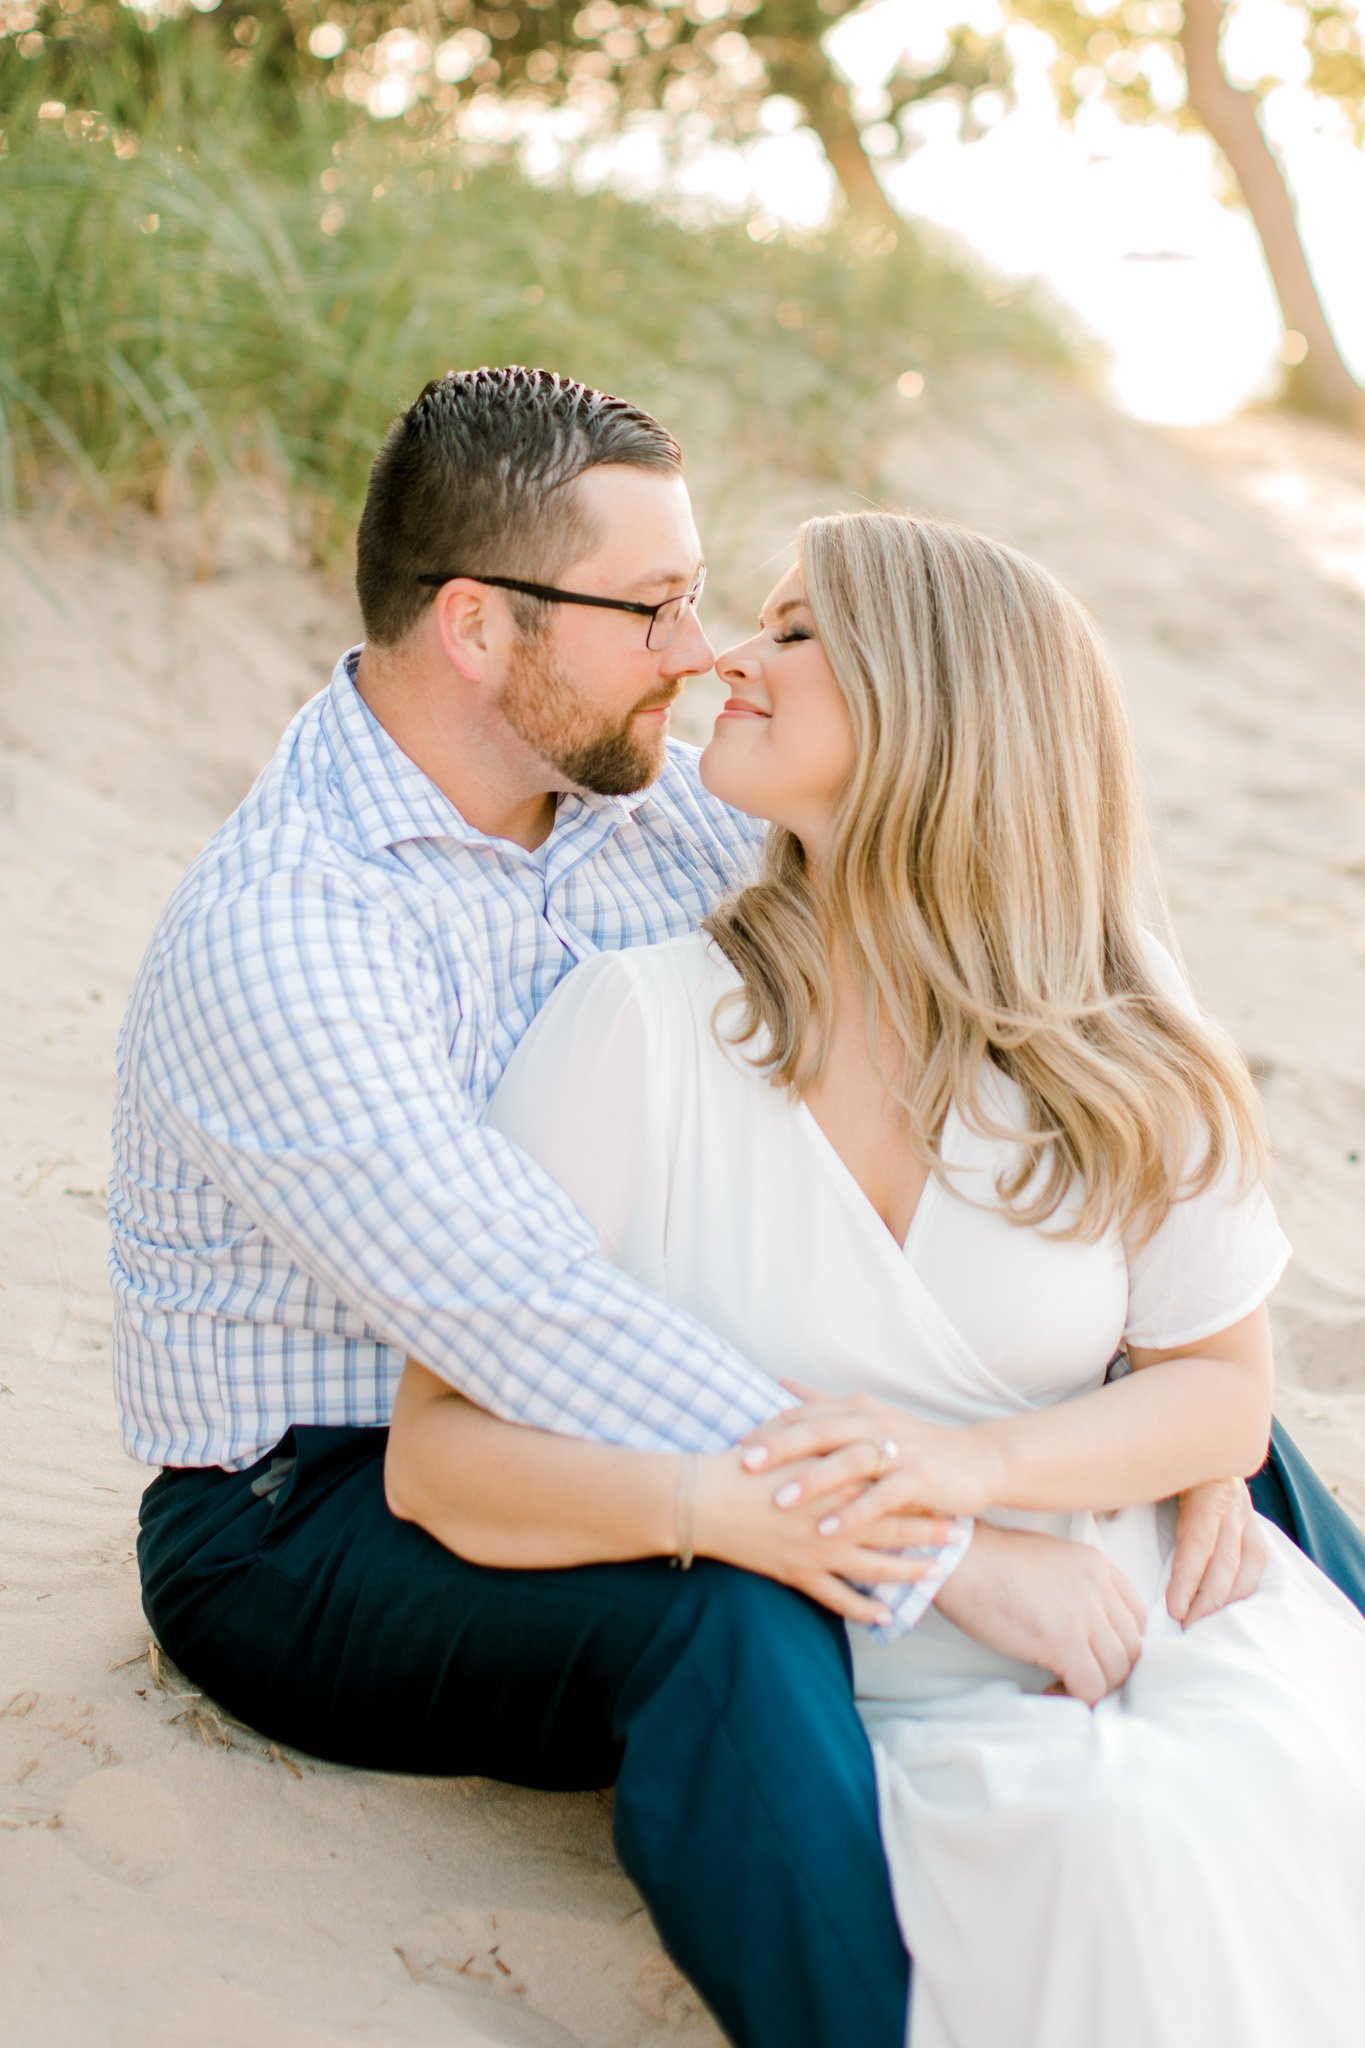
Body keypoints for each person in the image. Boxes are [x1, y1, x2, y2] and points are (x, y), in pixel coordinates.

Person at [111, 369, 1365, 2048]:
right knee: (729, 1600)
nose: (704, 652)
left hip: (641, 1388)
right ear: (479, 629)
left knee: (1217, 1422)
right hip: (312, 1502)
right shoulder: (289, 933)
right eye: (655, 607)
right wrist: (946, 1542)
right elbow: (540, 1324)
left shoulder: (652, 805)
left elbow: (980, 859)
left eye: (718, 604)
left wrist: (1199, 1430)